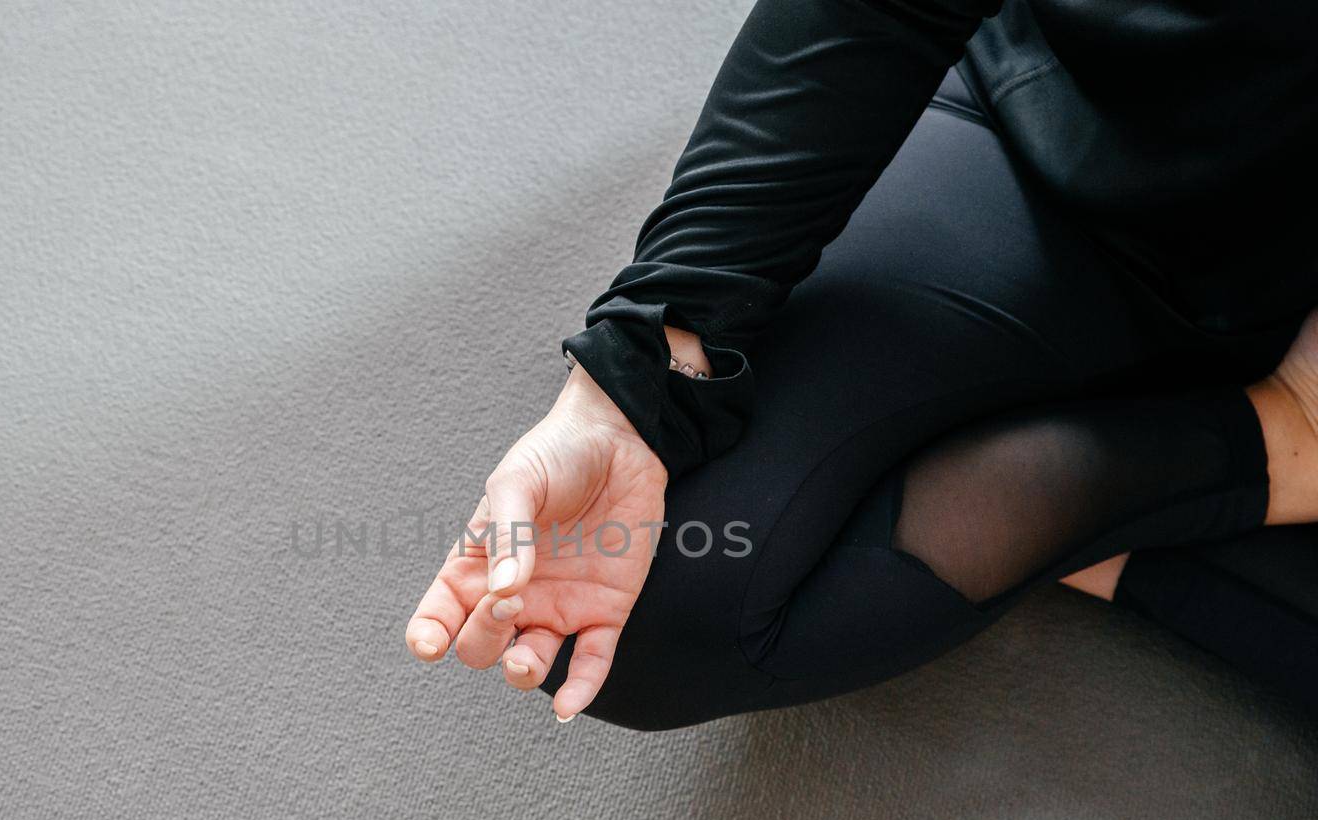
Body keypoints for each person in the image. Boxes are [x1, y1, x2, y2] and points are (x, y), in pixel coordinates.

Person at [404, 0, 1318, 728]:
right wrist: (639, 383)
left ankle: (1220, 472)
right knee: (638, 602)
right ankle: (1251, 453)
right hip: (1075, 125)